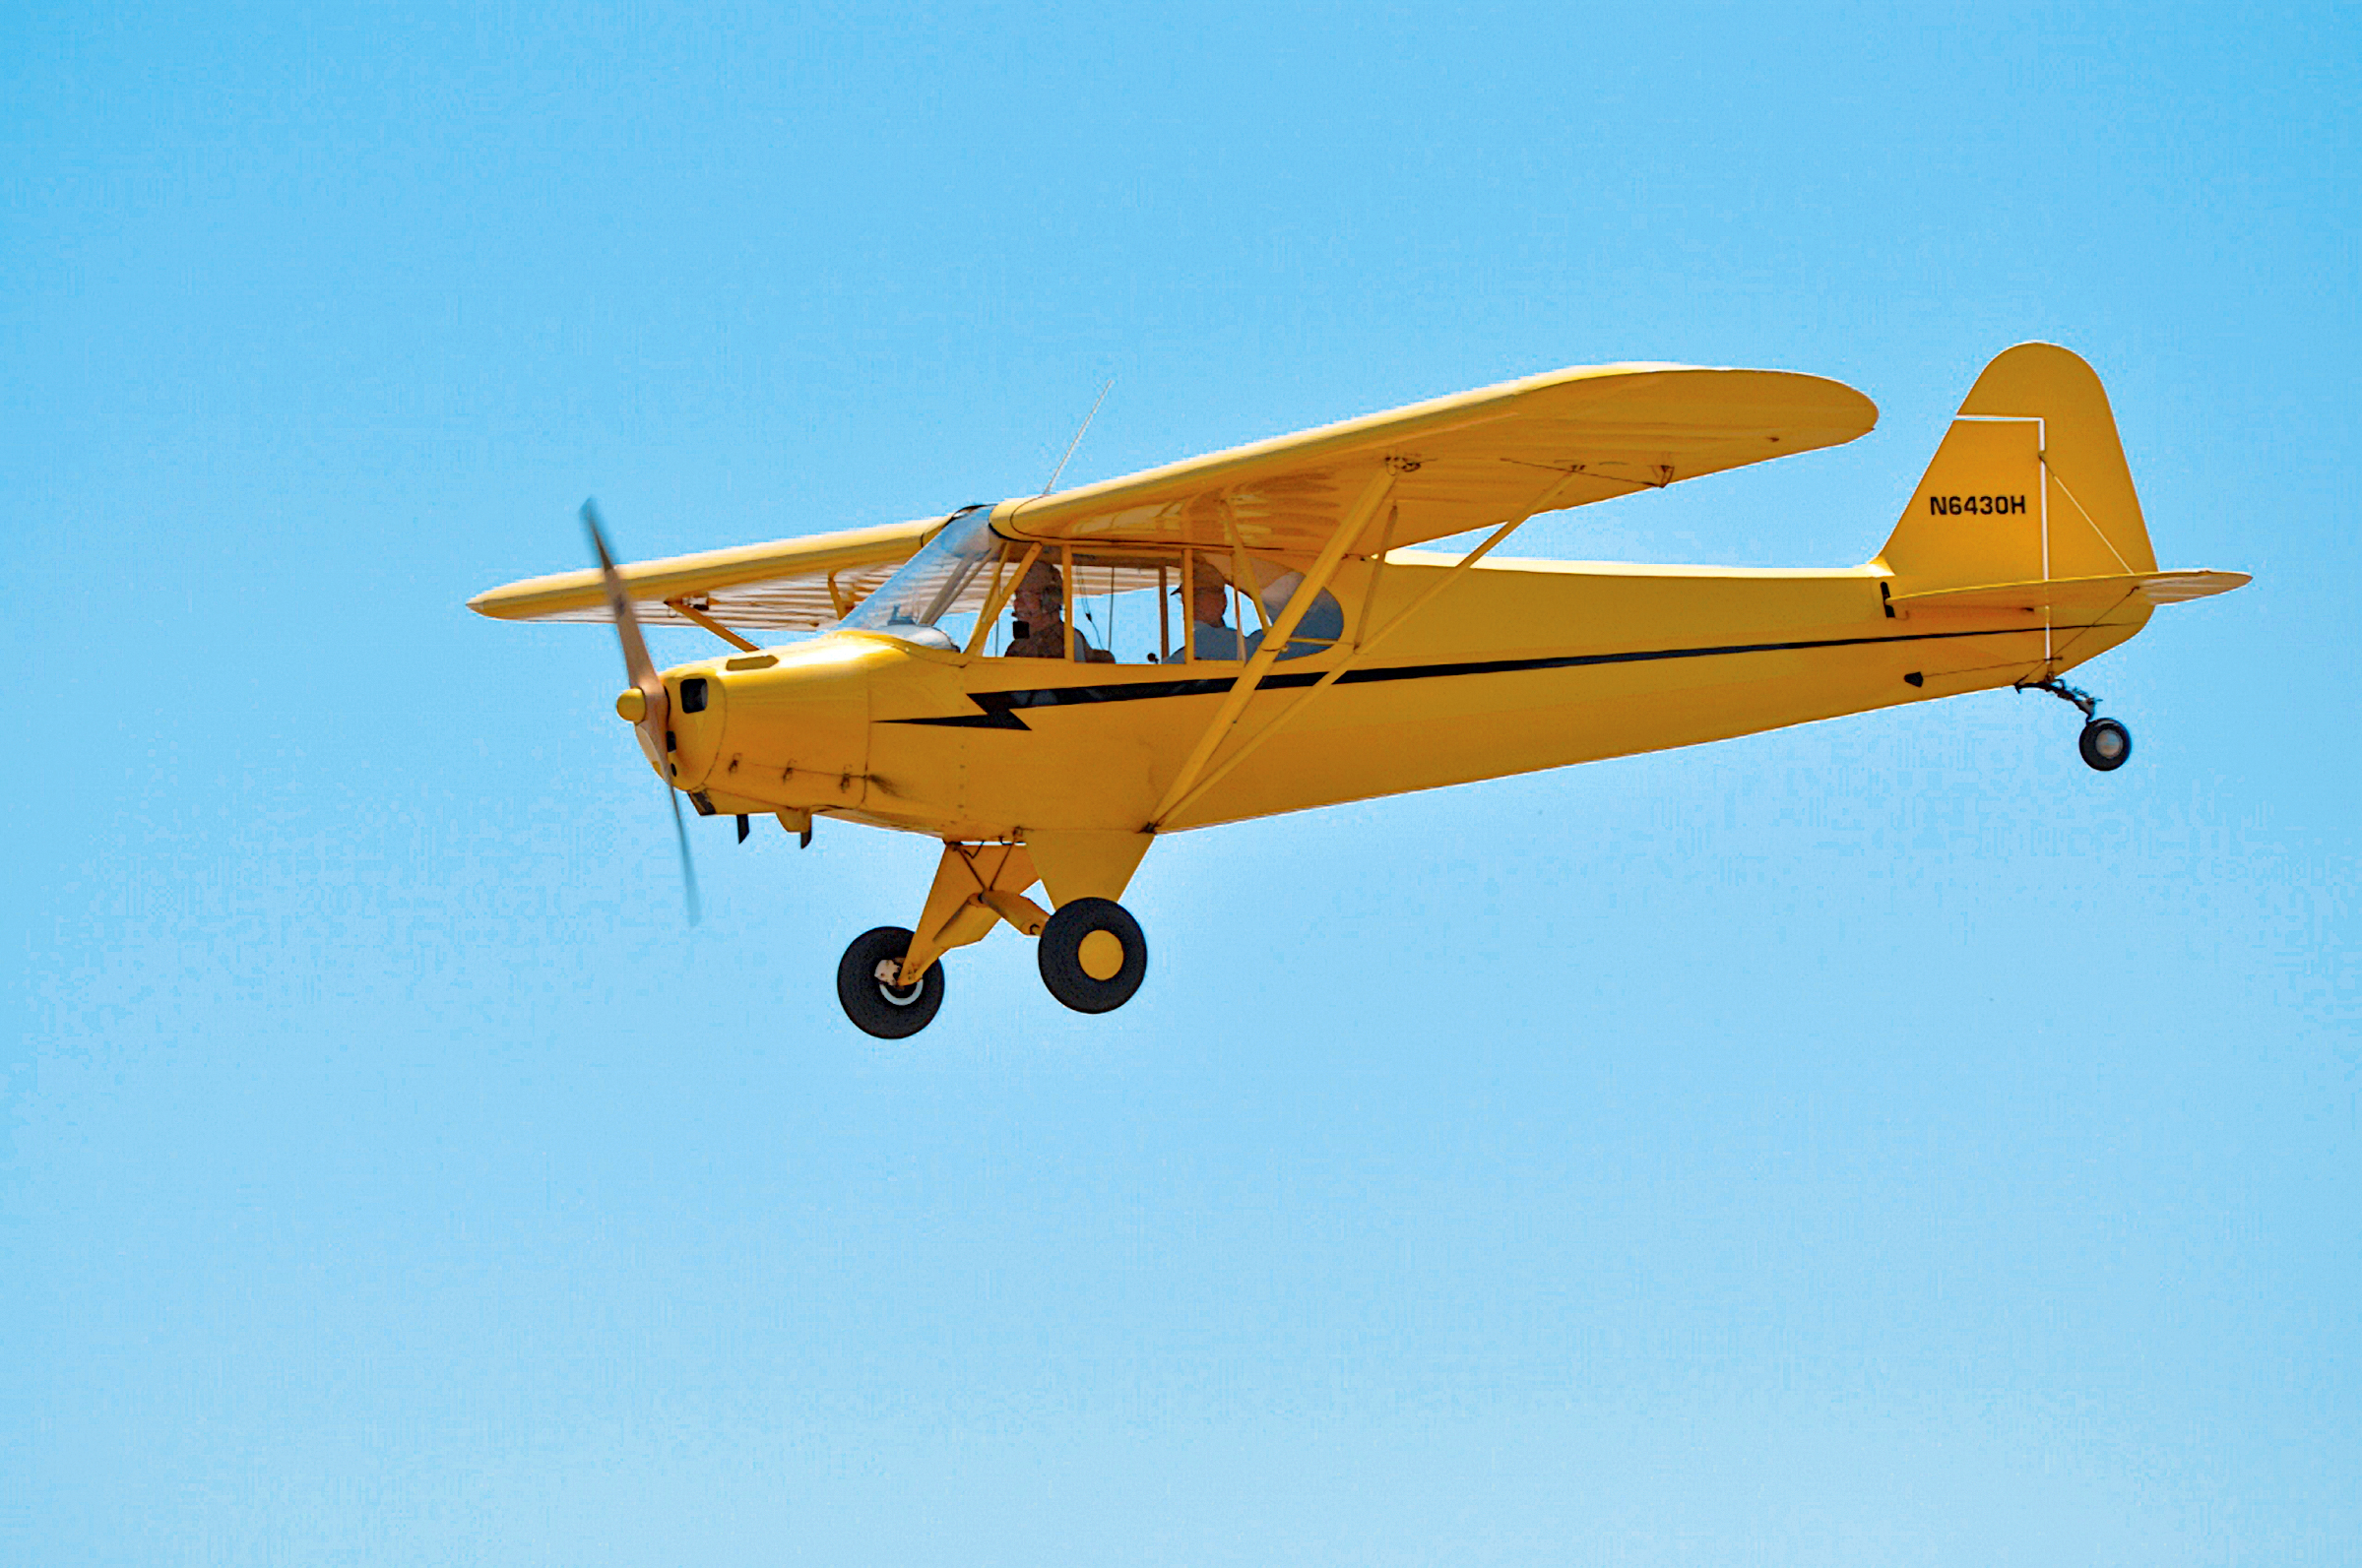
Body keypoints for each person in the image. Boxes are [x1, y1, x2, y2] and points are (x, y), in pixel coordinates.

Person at [1004, 558, 1113, 661]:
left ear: (1050, 600)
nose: (1017, 604)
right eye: (1017, 596)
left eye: (1026, 596)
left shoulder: (1066, 643)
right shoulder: (1020, 645)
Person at [1183, 558, 1243, 660]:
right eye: (1185, 599)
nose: (1191, 604)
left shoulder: (1235, 645)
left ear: (1222, 601)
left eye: (1198, 595)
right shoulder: (1193, 647)